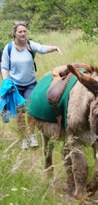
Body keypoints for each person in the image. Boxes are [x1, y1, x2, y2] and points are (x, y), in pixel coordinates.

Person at [1, 21, 62, 149]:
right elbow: (4, 66)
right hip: (15, 86)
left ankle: (31, 135)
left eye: (24, 31)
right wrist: (7, 82)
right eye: (20, 32)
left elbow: (41, 48)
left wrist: (54, 48)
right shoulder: (9, 48)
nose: (23, 34)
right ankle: (24, 139)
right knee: (19, 112)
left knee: (30, 111)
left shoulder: (30, 45)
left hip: (30, 84)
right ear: (14, 34)